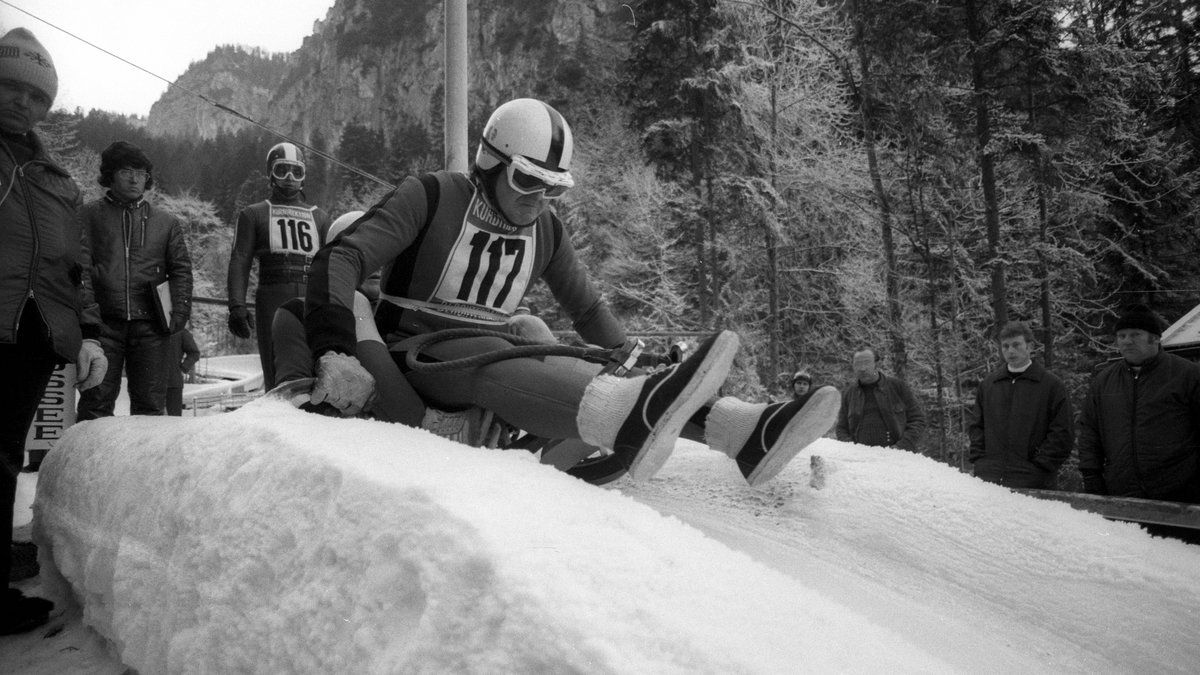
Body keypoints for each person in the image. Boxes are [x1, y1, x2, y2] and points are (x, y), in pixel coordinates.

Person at [302, 98, 842, 486]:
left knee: (580, 361)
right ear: (490, 164)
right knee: (496, 355)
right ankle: (625, 415)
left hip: (498, 348)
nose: (538, 198)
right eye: (526, 181)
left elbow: (587, 309)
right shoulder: (432, 195)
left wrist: (635, 362)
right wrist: (333, 345)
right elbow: (342, 256)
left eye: (552, 186)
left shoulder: (547, 230)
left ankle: (742, 429)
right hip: (418, 353)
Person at [0, 27, 108, 635]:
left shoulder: (54, 178)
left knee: (4, 454)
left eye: (35, 96)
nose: (23, 103)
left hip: (35, 338)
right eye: (9, 87)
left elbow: (73, 268)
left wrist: (87, 332)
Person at [76, 142, 193, 419]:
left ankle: (143, 464)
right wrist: (88, 318)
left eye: (140, 173)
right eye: (126, 171)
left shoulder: (166, 222)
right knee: (95, 403)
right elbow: (80, 269)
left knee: (151, 407)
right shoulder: (88, 215)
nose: (134, 179)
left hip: (151, 326)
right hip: (103, 325)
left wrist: (179, 312)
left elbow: (181, 270)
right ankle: (93, 462)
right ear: (110, 175)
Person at [226, 142, 332, 390]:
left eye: (296, 172)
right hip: (272, 297)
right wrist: (236, 305)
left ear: (304, 176)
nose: (289, 178)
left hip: (313, 297)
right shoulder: (254, 214)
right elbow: (240, 259)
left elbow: (333, 264)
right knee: (276, 370)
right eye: (282, 170)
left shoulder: (321, 217)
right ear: (270, 174)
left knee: (320, 365)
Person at [1078, 305, 1200, 504]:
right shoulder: (1103, 381)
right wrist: (1091, 476)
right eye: (1122, 335)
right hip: (1122, 493)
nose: (1127, 341)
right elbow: (1090, 433)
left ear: (1156, 338)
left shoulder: (1187, 375)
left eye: (1135, 334)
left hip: (1181, 494)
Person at [967, 321, 1072, 489]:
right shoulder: (989, 385)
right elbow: (976, 426)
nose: (1010, 351)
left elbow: (1062, 433)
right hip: (989, 479)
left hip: (1033, 480)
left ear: (1029, 346)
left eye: (1016, 345)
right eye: (1005, 346)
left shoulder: (1051, 385)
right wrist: (981, 461)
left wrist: (1040, 465)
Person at [835, 347, 925, 452]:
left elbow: (918, 421)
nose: (862, 368)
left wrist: (900, 447)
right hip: (861, 460)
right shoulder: (848, 393)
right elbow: (841, 428)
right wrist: (852, 449)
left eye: (867, 363)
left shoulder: (898, 387)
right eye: (858, 364)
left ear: (877, 365)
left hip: (898, 457)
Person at [165, 326, 201, 416]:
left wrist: (183, 368)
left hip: (173, 383)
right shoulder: (149, 328)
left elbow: (194, 353)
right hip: (150, 384)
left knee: (173, 420)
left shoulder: (180, 332)